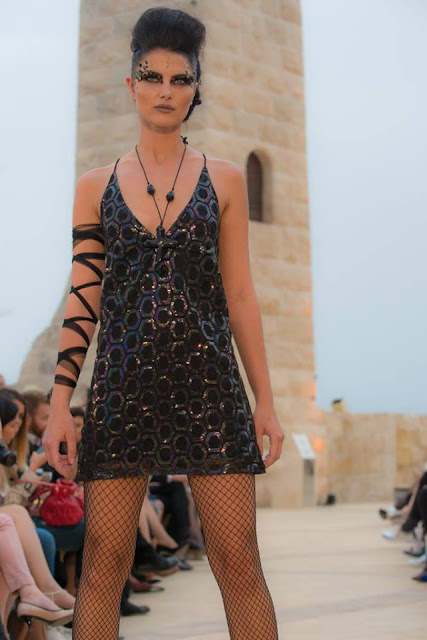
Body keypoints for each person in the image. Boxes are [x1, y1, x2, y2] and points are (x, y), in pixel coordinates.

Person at [43, 7, 284, 639]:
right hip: (122, 391)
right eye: (152, 77)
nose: (165, 91)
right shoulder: (95, 186)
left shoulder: (224, 180)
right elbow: (84, 296)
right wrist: (61, 402)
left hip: (210, 391)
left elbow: (240, 295)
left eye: (180, 80)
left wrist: (265, 400)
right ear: (132, 85)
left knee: (239, 560)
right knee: (103, 564)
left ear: (196, 89)